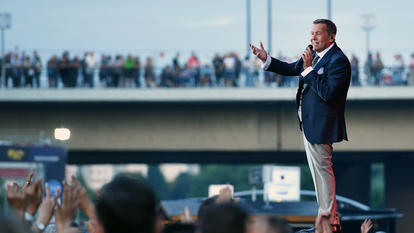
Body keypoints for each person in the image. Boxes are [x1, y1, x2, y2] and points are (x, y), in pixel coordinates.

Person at [250, 19, 351, 233]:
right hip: (309, 123)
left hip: (322, 124)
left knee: (323, 171)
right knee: (318, 172)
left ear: (331, 37)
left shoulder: (338, 61)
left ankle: (329, 220)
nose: (312, 37)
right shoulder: (312, 54)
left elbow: (329, 94)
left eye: (318, 34)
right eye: (311, 33)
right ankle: (325, 217)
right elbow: (291, 69)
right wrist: (266, 59)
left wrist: (308, 70)